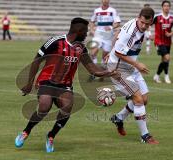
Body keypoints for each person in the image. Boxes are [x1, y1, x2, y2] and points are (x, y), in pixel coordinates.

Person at [14, 17, 119, 153]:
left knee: (68, 107)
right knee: (45, 106)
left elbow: (93, 70)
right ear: (79, 31)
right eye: (86, 31)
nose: (87, 34)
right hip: (47, 81)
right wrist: (29, 83)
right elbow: (36, 61)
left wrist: (109, 73)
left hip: (65, 86)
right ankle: (26, 132)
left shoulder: (81, 49)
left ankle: (51, 136)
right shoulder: (55, 42)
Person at [107, 7, 159, 144]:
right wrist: (137, 65)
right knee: (138, 99)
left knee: (144, 99)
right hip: (118, 68)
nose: (144, 26)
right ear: (138, 17)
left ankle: (119, 117)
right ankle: (145, 136)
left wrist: (109, 51)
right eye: (142, 22)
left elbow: (117, 35)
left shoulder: (139, 28)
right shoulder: (131, 31)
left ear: (151, 23)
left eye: (147, 24)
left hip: (130, 66)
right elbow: (119, 52)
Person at [89, 0, 121, 81]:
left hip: (108, 36)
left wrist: (110, 27)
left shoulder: (112, 10)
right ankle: (94, 73)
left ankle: (102, 73)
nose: (105, 0)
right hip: (98, 35)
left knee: (105, 56)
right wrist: (92, 29)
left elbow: (117, 22)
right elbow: (92, 21)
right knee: (92, 53)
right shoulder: (97, 11)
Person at [152, 0, 173, 84]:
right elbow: (149, 23)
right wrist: (148, 33)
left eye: (168, 6)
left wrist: (170, 34)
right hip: (158, 41)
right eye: (165, 6)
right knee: (167, 58)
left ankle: (157, 76)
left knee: (164, 60)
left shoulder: (172, 18)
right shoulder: (157, 17)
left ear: (170, 7)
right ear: (162, 7)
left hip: (167, 42)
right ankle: (165, 76)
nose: (166, 7)